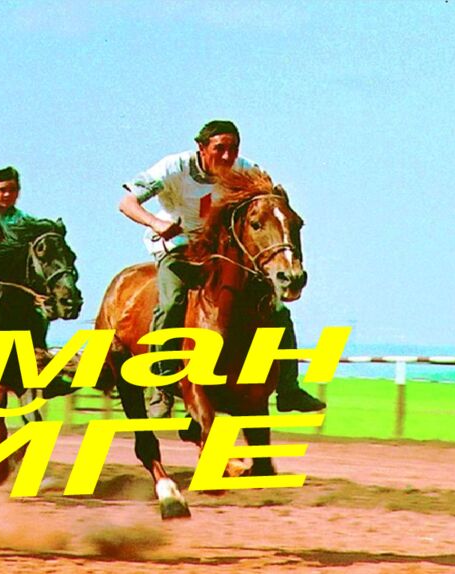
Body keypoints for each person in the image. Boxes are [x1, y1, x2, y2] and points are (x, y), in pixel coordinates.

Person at [118, 120, 326, 417]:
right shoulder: (173, 167)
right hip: (178, 247)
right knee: (172, 301)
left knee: (277, 309)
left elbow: (271, 206)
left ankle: (289, 388)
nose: (228, 156)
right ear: (202, 148)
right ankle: (161, 386)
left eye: (233, 149)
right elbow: (126, 203)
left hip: (222, 254)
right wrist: (156, 222)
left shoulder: (247, 169)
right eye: (220, 148)